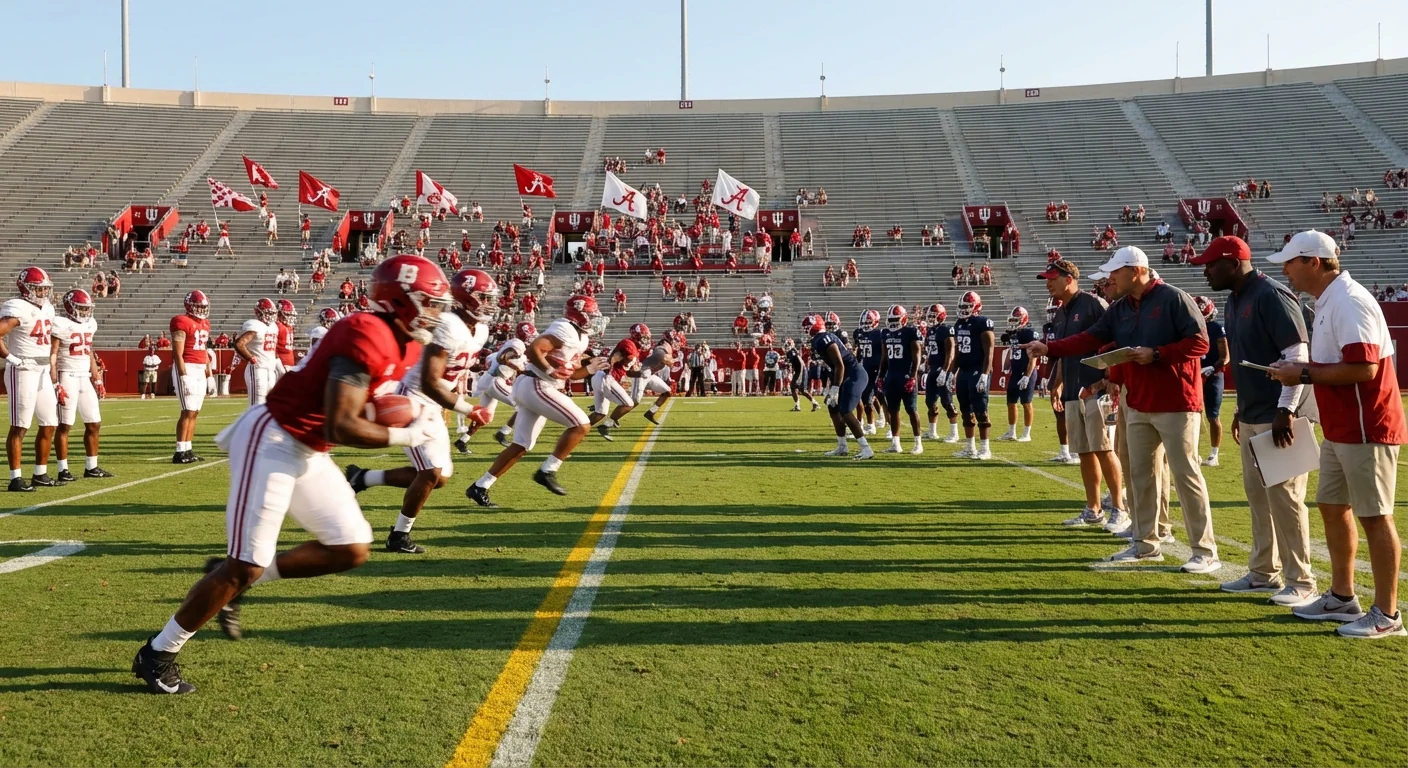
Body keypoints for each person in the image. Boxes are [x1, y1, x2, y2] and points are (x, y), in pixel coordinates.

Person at [130, 255, 451, 694]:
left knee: (351, 547)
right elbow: (342, 423)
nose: (435, 313)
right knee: (244, 564)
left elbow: (364, 408)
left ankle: (239, 581)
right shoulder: (367, 332)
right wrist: (407, 434)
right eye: (429, 303)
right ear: (399, 299)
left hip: (311, 447)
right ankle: (158, 652)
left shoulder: (406, 343)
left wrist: (412, 410)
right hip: (274, 438)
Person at [1028, 246, 1219, 573]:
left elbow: (1200, 343)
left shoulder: (1173, 298)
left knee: (1187, 476)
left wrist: (1156, 354)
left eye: (1116, 271)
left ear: (1136, 270)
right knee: (1139, 477)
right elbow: (1090, 338)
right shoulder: (1120, 308)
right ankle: (1145, 545)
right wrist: (1050, 348)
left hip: (1176, 401)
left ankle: (1205, 551)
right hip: (1139, 400)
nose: (1110, 277)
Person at [1265, 230, 1406, 637]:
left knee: (1375, 517)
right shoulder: (1329, 301)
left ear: (1314, 262)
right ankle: (1343, 597)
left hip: (1366, 425)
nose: (1286, 270)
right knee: (1331, 506)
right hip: (1343, 427)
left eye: (1291, 262)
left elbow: (1365, 369)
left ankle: (1388, 614)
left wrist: (1301, 372)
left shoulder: (1349, 300)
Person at [1189, 235, 1317, 606]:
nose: (1207, 272)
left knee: (1287, 499)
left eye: (1211, 265)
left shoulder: (1271, 295)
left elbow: (1297, 354)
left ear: (1233, 263)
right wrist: (1240, 410)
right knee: (1259, 497)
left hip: (1281, 414)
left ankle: (1302, 580)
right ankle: (1264, 571)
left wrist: (1286, 410)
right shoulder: (1236, 299)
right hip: (1254, 412)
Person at [347, 269, 497, 554]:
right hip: (413, 399)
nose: (490, 304)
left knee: (439, 478)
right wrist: (468, 409)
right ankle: (398, 536)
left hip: (435, 402)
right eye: (484, 298)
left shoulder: (480, 330)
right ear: (467, 297)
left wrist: (464, 402)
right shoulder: (449, 325)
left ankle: (362, 478)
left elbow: (452, 373)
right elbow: (429, 382)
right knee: (430, 472)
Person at [465, 296, 609, 506]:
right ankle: (548, 470)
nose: (595, 319)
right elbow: (534, 349)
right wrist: (550, 369)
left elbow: (571, 375)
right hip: (537, 384)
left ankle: (480, 486)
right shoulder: (565, 329)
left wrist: (590, 368)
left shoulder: (581, 338)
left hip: (538, 385)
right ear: (579, 313)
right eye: (591, 314)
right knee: (581, 424)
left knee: (521, 445)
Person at [1034, 259, 1124, 523]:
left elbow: (1113, 342)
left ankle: (1119, 508)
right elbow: (1064, 350)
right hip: (1074, 389)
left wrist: (1106, 379)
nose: (1048, 283)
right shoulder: (1061, 312)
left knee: (1105, 449)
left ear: (1069, 279)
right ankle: (1093, 509)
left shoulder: (1094, 304)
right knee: (1084, 452)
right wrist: (1057, 383)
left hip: (1097, 390)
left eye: (1052, 278)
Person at [1, 268, 62, 491]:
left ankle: (40, 473)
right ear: (25, 288)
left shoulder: (47, 307)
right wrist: (11, 358)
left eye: (45, 288)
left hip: (43, 369)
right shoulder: (17, 307)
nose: (43, 292)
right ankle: (16, 478)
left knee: (49, 423)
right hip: (24, 368)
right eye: (38, 287)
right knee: (20, 426)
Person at [49, 289, 112, 481]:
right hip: (66, 375)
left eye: (87, 309)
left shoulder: (90, 325)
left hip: (84, 377)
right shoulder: (61, 324)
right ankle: (63, 470)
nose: (85, 313)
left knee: (94, 423)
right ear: (70, 307)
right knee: (65, 425)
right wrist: (55, 383)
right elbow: (52, 355)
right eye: (81, 308)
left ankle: (91, 466)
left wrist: (97, 378)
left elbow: (89, 352)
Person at [805, 314, 872, 459]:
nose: (806, 330)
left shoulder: (823, 339)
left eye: (807, 327)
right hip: (846, 375)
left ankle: (866, 448)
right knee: (833, 408)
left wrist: (835, 388)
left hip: (854, 374)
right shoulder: (821, 338)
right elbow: (834, 367)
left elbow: (839, 365)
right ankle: (842, 446)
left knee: (846, 411)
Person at [470, 322, 534, 450]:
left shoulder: (515, 345)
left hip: (491, 380)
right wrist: (516, 367)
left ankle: (463, 440)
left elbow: (494, 359)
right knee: (524, 405)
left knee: (485, 415)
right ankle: (503, 433)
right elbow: (502, 358)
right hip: (496, 381)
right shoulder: (517, 344)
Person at [947, 291, 995, 460]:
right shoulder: (959, 324)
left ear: (976, 307)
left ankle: (985, 449)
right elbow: (958, 353)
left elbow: (989, 352)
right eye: (962, 307)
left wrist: (984, 374)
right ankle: (970, 448)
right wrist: (951, 373)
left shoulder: (983, 323)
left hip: (977, 370)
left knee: (981, 410)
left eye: (967, 306)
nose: (964, 310)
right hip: (964, 371)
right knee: (965, 410)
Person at [170, 291, 213, 464]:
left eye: (204, 307)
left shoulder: (205, 323)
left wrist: (209, 375)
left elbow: (203, 351)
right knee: (187, 410)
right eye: (199, 306)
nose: (202, 310)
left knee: (195, 412)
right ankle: (180, 451)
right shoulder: (181, 321)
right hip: (187, 367)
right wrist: (184, 376)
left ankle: (188, 449)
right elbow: (177, 354)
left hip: (200, 369)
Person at [589, 323, 650, 440]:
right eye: (644, 337)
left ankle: (577, 430)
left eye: (647, 337)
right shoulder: (629, 344)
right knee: (629, 404)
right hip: (606, 377)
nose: (646, 340)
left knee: (600, 413)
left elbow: (628, 372)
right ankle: (607, 425)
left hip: (602, 377)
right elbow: (617, 356)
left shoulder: (635, 350)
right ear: (636, 336)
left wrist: (641, 373)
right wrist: (609, 365)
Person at [878, 305, 924, 455]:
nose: (892, 322)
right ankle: (895, 443)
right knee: (893, 410)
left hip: (905, 376)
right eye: (890, 319)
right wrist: (880, 375)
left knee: (911, 410)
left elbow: (917, 355)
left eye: (895, 319)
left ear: (903, 319)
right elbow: (884, 357)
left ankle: (918, 443)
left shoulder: (911, 332)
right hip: (891, 376)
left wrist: (913, 375)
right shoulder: (885, 333)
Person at [1193, 295, 1228, 466]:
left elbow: (1225, 357)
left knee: (1212, 415)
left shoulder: (1215, 328)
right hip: (1194, 375)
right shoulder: (1190, 327)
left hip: (1213, 375)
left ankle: (1214, 454)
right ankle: (1194, 452)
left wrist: (1213, 368)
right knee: (1192, 416)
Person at [921, 304, 960, 443]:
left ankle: (954, 433)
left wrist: (946, 371)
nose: (931, 318)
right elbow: (930, 350)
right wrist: (925, 362)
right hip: (933, 368)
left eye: (933, 316)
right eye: (930, 316)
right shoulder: (931, 330)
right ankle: (932, 432)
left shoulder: (946, 329)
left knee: (947, 402)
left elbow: (951, 353)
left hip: (944, 369)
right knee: (930, 401)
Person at [999, 307, 1037, 442]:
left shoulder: (1029, 333)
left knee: (1026, 402)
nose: (1013, 323)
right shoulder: (1013, 334)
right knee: (1011, 402)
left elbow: (1033, 356)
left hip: (1027, 371)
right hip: (1015, 371)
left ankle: (1027, 433)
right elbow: (1012, 350)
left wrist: (1027, 375)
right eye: (1012, 320)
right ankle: (1011, 432)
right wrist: (1007, 366)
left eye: (1016, 320)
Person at [235, 298, 280, 407]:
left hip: (270, 369)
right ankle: (251, 424)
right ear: (259, 312)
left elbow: (273, 350)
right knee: (257, 405)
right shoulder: (255, 326)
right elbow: (239, 344)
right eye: (268, 313)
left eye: (272, 313)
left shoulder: (274, 327)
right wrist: (250, 358)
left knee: (269, 405)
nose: (270, 315)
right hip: (258, 369)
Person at [852, 309, 886, 435]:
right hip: (864, 367)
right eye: (864, 322)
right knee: (867, 396)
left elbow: (884, 352)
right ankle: (875, 421)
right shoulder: (858, 332)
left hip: (876, 368)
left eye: (868, 322)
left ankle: (873, 424)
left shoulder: (879, 334)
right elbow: (858, 349)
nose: (865, 324)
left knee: (871, 396)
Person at [784, 339, 816, 411]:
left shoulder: (792, 351)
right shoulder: (792, 351)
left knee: (793, 386)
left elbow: (798, 361)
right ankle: (814, 403)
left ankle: (797, 406)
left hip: (800, 371)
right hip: (800, 370)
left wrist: (799, 372)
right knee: (802, 390)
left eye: (787, 345)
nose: (786, 347)